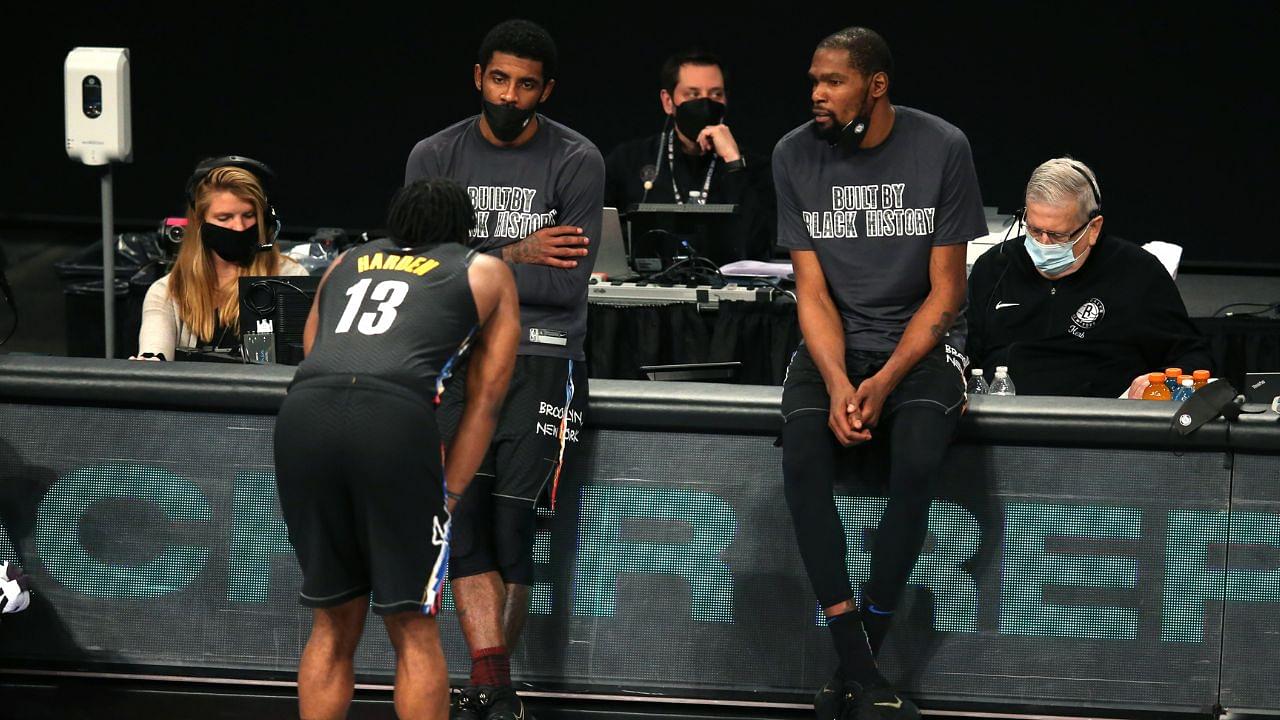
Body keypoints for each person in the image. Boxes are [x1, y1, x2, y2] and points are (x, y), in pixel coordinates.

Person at [774, 27, 988, 720]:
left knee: (919, 460)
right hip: (837, 342)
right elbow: (811, 291)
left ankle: (857, 660)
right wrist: (838, 381)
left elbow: (948, 292)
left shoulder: (942, 147)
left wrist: (887, 378)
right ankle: (862, 669)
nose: (817, 94)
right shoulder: (793, 155)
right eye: (813, 80)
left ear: (876, 85)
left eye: (832, 81)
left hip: (920, 344)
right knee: (804, 459)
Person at [403, 18, 603, 720]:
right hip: (457, 356)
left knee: (515, 528)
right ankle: (494, 688)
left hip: (544, 353)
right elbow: (421, 273)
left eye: (525, 85)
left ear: (544, 91)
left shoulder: (577, 159)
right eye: (498, 79)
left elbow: (565, 286)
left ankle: (489, 689)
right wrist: (515, 255)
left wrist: (474, 258)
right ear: (478, 76)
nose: (509, 96)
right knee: (463, 520)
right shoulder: (434, 154)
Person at [273, 178, 520, 720]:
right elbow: (485, 402)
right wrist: (450, 494)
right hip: (390, 419)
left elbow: (315, 351)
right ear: (465, 229)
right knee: (412, 625)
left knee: (333, 621)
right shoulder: (485, 270)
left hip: (303, 416)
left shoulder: (346, 262)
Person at [966, 157, 1212, 398]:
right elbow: (962, 355)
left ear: (1093, 228)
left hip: (1100, 426)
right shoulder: (995, 267)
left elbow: (1193, 356)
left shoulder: (1136, 272)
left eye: (1057, 235)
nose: (1042, 243)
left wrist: (1162, 381)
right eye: (1033, 229)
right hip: (1004, 423)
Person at [604, 50, 775, 265]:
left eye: (716, 94)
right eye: (693, 94)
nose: (705, 103)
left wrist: (733, 161)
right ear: (668, 101)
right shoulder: (628, 160)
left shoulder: (753, 167)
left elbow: (759, 246)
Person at [135, 156, 307, 361]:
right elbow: (155, 353)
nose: (240, 227)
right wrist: (149, 363)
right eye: (224, 218)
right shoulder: (167, 292)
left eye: (249, 215)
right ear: (200, 222)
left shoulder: (290, 278)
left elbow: (302, 363)